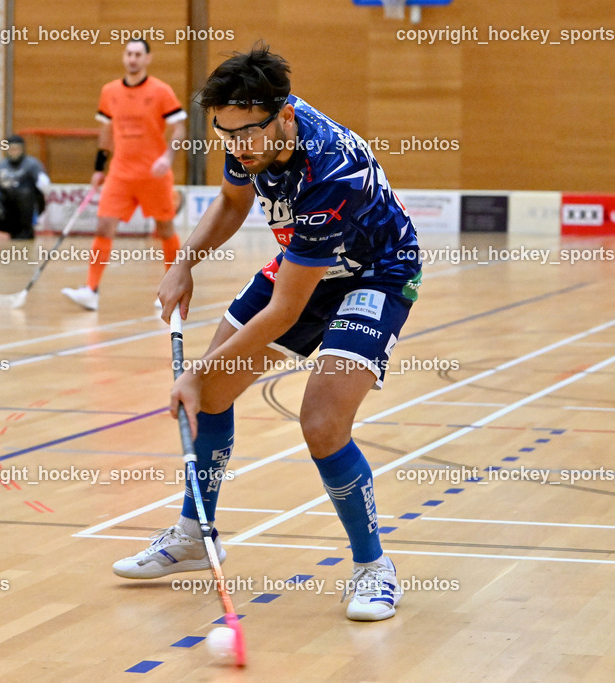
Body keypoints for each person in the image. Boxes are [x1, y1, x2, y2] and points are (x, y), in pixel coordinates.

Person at [111, 44, 423, 622]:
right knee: (209, 398)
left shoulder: (331, 171)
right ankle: (193, 536)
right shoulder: (247, 132)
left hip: (376, 272)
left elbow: (284, 312)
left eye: (247, 135)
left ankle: (373, 568)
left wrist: (193, 372)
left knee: (323, 423)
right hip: (303, 261)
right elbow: (231, 203)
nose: (237, 147)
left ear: (283, 115)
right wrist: (184, 263)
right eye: (225, 135)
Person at [61, 39, 187, 311]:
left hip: (154, 175)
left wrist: (168, 157)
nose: (132, 59)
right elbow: (106, 133)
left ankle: (173, 289)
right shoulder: (109, 91)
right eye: (129, 53)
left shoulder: (161, 91)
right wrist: (98, 168)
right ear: (124, 57)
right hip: (120, 173)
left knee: (165, 230)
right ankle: (91, 290)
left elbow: (179, 128)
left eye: (138, 54)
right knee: (104, 225)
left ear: (147, 59)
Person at [0, 134, 49, 240]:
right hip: (9, 202)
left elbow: (43, 184)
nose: (15, 152)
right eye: (11, 149)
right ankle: (14, 229)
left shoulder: (32, 164)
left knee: (24, 193)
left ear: (23, 150)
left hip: (28, 203)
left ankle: (26, 230)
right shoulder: (1, 167)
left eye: (17, 149)